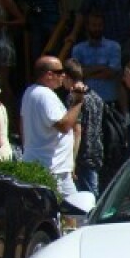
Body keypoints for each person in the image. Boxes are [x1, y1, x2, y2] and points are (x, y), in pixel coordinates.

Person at [21, 56, 85, 201]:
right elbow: (63, 125)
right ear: (49, 74)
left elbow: (22, 124)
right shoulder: (45, 95)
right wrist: (78, 102)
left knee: (58, 212)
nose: (63, 75)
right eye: (60, 71)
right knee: (76, 211)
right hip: (53, 168)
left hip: (40, 164)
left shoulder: (29, 92)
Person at [64, 58, 106, 194]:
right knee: (93, 190)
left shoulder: (74, 98)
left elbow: (77, 130)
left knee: (87, 197)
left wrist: (72, 160)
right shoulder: (95, 96)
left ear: (67, 77)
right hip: (97, 150)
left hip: (82, 154)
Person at [70, 11, 124, 107]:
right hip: (87, 100)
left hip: (109, 100)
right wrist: (102, 67)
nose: (97, 28)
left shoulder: (114, 46)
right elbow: (76, 74)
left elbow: (111, 73)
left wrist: (86, 72)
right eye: (94, 25)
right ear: (87, 27)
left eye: (100, 25)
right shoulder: (78, 49)